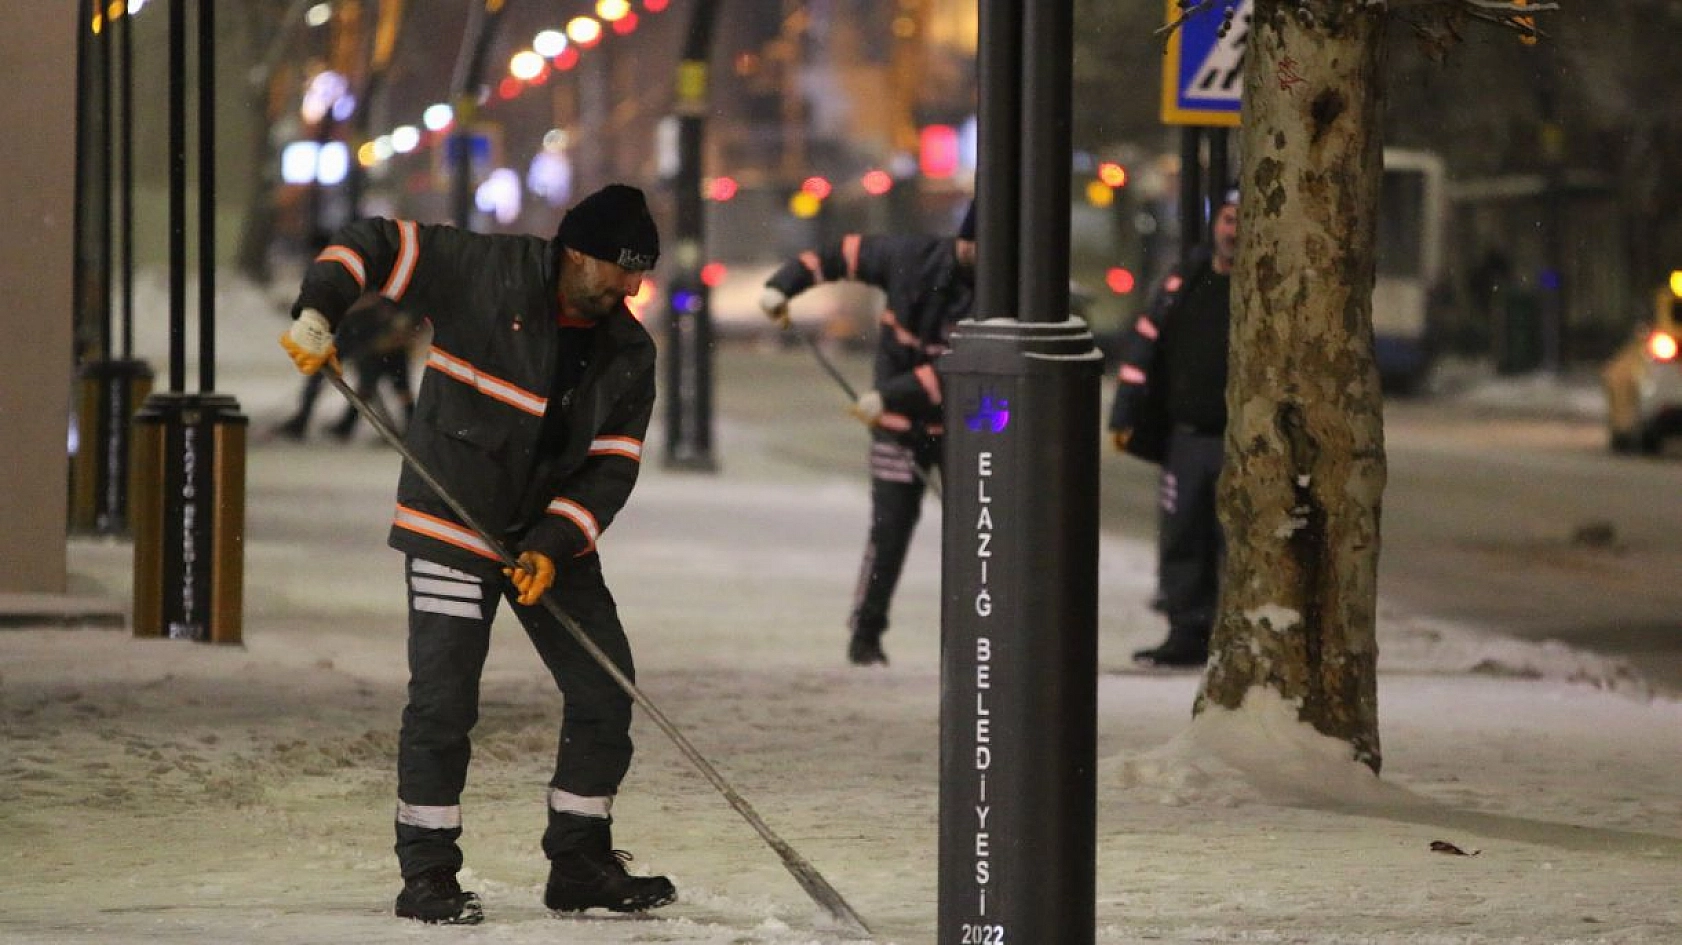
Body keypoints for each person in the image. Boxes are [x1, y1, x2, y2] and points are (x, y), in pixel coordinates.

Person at [279, 184, 675, 924]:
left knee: (603, 685)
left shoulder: (629, 350)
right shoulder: (483, 271)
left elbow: (612, 465)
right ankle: (428, 871)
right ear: (577, 252)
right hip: (452, 522)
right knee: (445, 699)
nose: (631, 287)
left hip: (545, 537)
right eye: (620, 270)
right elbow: (374, 242)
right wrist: (318, 311)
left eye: (640, 274)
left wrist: (556, 545)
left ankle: (580, 859)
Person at [758, 203, 976, 666]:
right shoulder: (907, 258)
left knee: (979, 534)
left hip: (968, 427)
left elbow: (966, 371)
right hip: (897, 429)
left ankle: (974, 638)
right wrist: (784, 285)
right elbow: (840, 255)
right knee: (889, 532)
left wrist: (891, 395)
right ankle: (866, 635)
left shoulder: (1001, 290)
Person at [1107, 187, 1239, 668]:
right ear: (1215, 224)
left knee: (1235, 540)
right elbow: (1143, 349)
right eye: (1227, 218)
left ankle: (1233, 636)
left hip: (1240, 441)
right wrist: (1126, 412)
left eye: (1243, 218)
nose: (1234, 229)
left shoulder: (1264, 287)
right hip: (1186, 438)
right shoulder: (1185, 282)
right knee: (1183, 534)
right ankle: (1188, 629)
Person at [272, 296, 418, 441]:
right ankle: (318, 420)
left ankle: (346, 424)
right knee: (368, 381)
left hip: (375, 333)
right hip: (360, 329)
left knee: (381, 383)